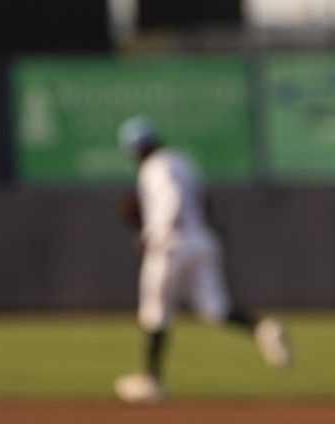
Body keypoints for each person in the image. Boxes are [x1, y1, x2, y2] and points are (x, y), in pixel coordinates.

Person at [113, 116, 292, 404]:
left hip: (171, 242)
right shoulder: (183, 161)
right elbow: (204, 200)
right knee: (215, 307)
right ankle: (263, 328)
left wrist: (155, 232)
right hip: (201, 238)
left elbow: (171, 198)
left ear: (137, 148)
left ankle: (151, 379)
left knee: (155, 311)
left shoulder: (154, 167)